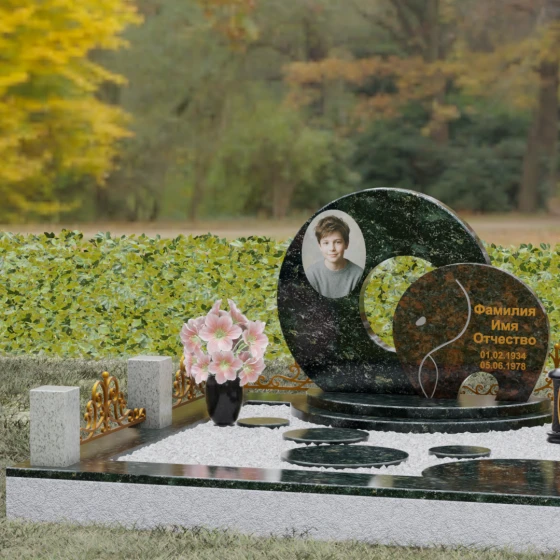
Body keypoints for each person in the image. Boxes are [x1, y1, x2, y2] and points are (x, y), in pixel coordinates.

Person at [306, 215, 363, 298]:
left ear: (346, 244)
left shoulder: (358, 275)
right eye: (326, 243)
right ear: (320, 246)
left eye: (338, 242)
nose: (332, 248)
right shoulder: (311, 275)